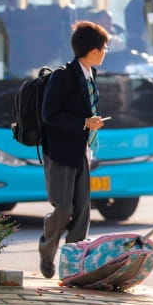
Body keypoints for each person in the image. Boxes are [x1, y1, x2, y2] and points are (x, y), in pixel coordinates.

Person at [37, 20, 110, 278]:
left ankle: (73, 266)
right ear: (92, 51)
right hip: (58, 153)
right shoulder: (62, 77)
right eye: (104, 48)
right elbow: (49, 115)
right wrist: (83, 122)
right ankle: (47, 251)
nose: (105, 53)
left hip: (81, 151)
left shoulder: (91, 75)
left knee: (82, 212)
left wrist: (91, 123)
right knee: (63, 208)